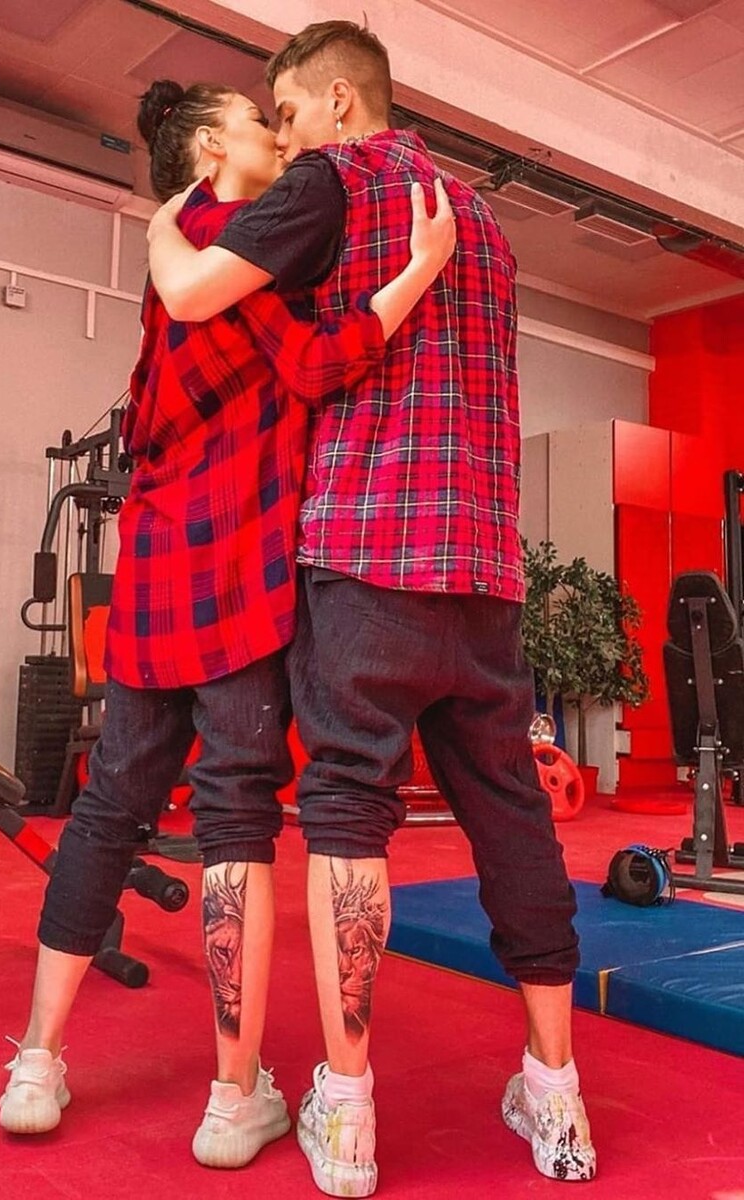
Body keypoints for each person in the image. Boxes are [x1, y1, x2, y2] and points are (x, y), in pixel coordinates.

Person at [146, 22, 596, 1197]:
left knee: (346, 808)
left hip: (365, 554)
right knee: (513, 819)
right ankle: (556, 1100)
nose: (286, 136)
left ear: (338, 102)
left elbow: (192, 295)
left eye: (290, 113)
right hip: (483, 571)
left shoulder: (328, 182)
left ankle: (344, 1115)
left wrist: (164, 218)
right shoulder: (481, 218)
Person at [0, 75, 456, 1178]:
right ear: (211, 146)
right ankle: (230, 1097)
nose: (278, 134)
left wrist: (165, 224)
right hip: (235, 561)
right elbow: (318, 360)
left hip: (157, 556)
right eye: (257, 120)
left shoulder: (182, 242)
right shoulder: (237, 245)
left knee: (110, 803)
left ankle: (36, 1064)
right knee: (234, 816)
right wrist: (418, 270)